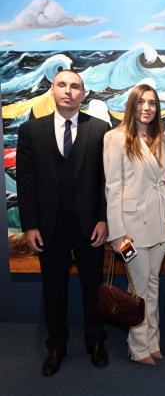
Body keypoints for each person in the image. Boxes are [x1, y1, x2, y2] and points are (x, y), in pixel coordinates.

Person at [16, 70, 110, 376]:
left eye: (75, 86)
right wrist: (30, 225)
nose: (68, 91)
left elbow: (107, 181)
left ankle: (95, 342)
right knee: (54, 291)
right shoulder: (31, 130)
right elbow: (25, 181)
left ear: (83, 94)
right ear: (53, 90)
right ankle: (56, 346)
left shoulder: (100, 130)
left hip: (89, 227)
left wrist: (104, 219)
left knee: (93, 289)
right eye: (62, 85)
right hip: (48, 228)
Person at [103, 84, 165, 366]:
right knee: (139, 288)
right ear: (132, 105)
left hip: (160, 226)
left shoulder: (161, 139)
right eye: (142, 102)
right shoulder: (116, 137)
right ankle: (138, 347)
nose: (147, 107)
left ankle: (152, 342)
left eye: (152, 103)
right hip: (130, 231)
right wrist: (117, 233)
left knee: (153, 285)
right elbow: (113, 188)